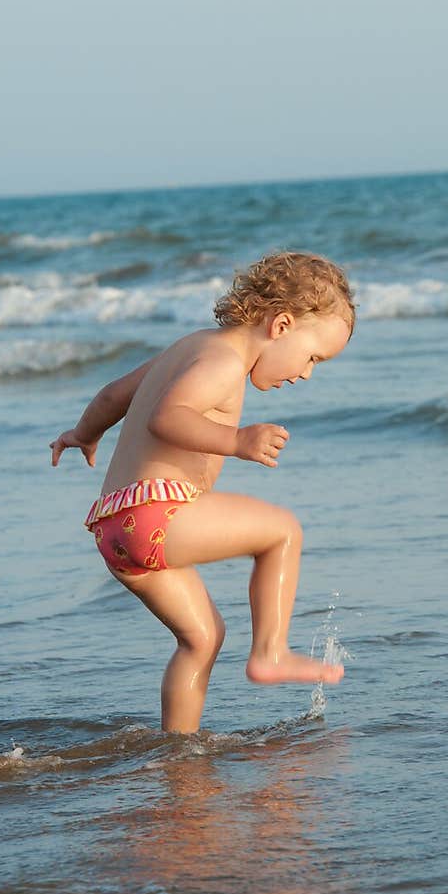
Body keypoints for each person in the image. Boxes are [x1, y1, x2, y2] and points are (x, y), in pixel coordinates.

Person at [49, 250, 355, 733]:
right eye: (313, 356)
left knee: (202, 638)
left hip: (114, 527)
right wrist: (236, 440)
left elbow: (113, 396)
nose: (306, 373)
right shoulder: (223, 361)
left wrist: (84, 433)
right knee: (282, 531)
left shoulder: (188, 347)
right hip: (157, 513)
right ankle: (271, 651)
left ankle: (179, 750)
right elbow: (166, 417)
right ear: (281, 325)